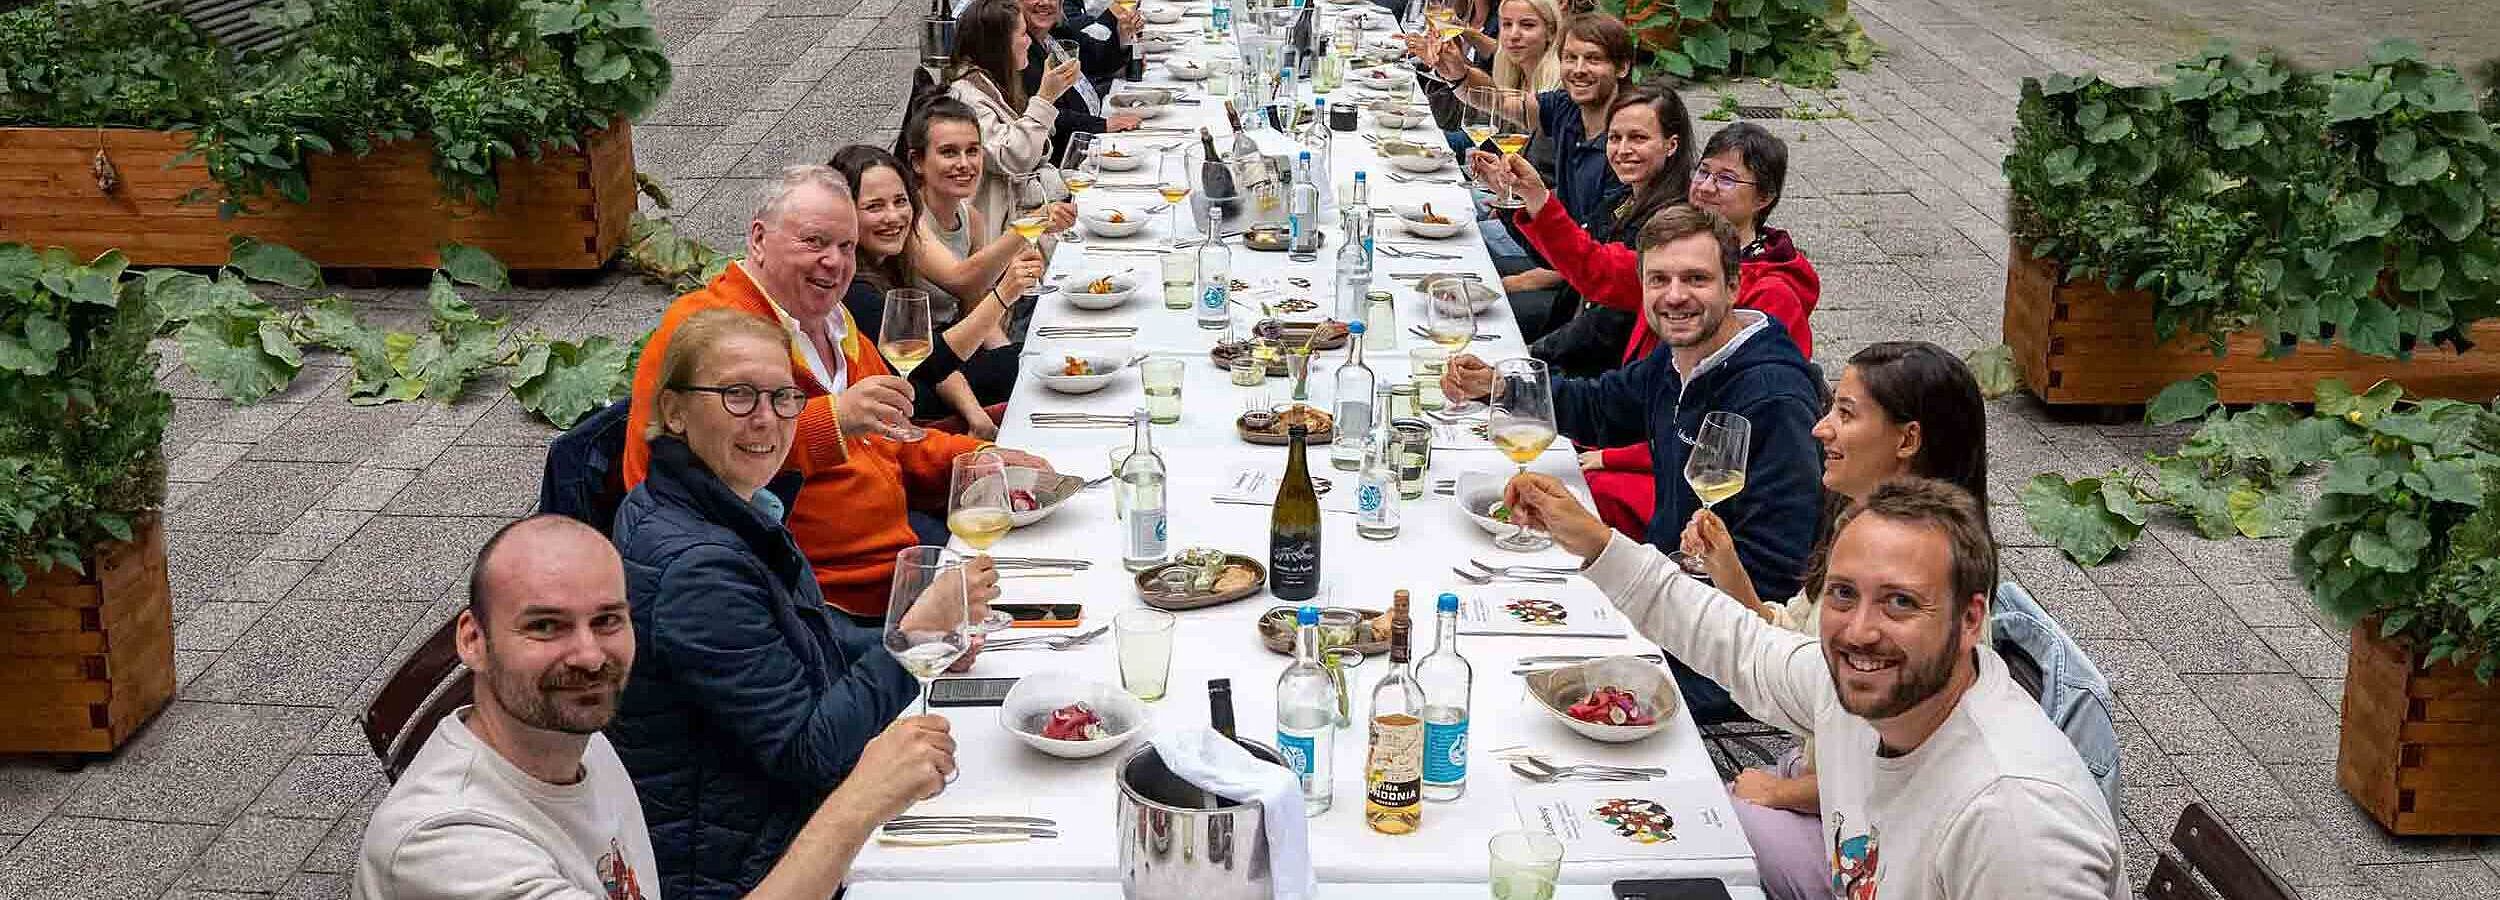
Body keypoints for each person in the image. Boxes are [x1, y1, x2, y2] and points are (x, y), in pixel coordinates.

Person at [1505, 475, 2126, 899]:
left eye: (1901, 603)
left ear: (1970, 619)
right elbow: (1737, 642)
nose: (1860, 631)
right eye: (1844, 593)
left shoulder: (2015, 824)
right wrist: (1590, 538)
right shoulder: (1870, 691)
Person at [353, 515, 958, 900]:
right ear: (473, 640)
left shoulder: (580, 739)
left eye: (608, 620)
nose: (589, 655)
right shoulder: (447, 846)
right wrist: (856, 804)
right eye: (546, 626)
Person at [607, 309, 996, 899]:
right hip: (753, 860)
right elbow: (809, 753)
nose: (767, 419)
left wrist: (914, 638)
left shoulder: (714, 502)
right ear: (674, 411)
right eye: (738, 395)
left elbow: (795, 641)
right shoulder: (698, 568)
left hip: (759, 819)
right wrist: (908, 638)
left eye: (784, 396)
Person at [1442, 204, 1821, 724]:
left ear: (1734, 286)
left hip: (1717, 651)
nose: (1675, 295)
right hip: (1659, 589)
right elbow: (1600, 406)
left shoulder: (1772, 398)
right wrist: (1501, 386)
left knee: (1505, 689)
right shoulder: (1681, 358)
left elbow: (1777, 568)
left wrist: (1645, 596)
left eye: (1696, 279)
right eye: (1658, 279)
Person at [620, 164, 1053, 618]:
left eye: (847, 246)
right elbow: (684, 473)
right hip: (824, 599)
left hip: (900, 559)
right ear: (759, 240)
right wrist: (834, 419)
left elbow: (892, 440)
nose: (835, 261)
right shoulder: (708, 330)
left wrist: (975, 459)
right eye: (814, 242)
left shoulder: (832, 320)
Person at [1680, 341, 1990, 897]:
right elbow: (1788, 648)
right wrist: (1725, 567)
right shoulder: (1859, 527)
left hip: (1861, 843)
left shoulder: (1925, 589)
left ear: (1907, 439)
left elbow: (1891, 771)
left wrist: (1784, 795)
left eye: (1844, 414)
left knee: (1700, 837)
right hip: (1813, 778)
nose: (1820, 429)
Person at [1502, 121, 1820, 359]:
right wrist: (1535, 196)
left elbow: (1738, 411)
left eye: (1726, 179)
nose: (1706, 187)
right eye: (1703, 172)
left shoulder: (1774, 294)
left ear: (1763, 197)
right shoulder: (1680, 246)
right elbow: (1596, 266)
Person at [1467, 86, 1693, 378]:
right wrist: (1513, 201)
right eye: (1614, 138)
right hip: (1569, 336)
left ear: (1671, 145)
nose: (1623, 150)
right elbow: (1559, 261)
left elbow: (1605, 322)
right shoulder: (1624, 198)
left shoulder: (1670, 224)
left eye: (1638, 138)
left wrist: (1531, 357)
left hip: (1598, 376)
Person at [1432, 13, 1637, 334]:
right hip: (1562, 264)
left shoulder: (1625, 147)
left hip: (1592, 303)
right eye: (1570, 58)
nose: (1579, 69)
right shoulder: (1569, 107)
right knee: (1446, 274)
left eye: (1593, 59)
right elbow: (1501, 102)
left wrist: (1521, 281)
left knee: (1457, 313)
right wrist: (1458, 75)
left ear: (1622, 67)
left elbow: (1601, 259)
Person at [831, 142, 1045, 438]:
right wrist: (1004, 294)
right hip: (916, 417)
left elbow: (931, 356)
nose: (893, 216)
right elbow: (931, 360)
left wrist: (976, 416)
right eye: (874, 206)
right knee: (1034, 364)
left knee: (1032, 357)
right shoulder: (850, 288)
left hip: (938, 389)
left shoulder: (895, 260)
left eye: (900, 201)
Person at [945, 0, 1080, 244]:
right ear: (998, 45)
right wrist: (1045, 98)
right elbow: (1012, 158)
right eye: (1021, 34)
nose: (1028, 41)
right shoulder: (966, 97)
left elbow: (1036, 144)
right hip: (998, 234)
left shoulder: (996, 81)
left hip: (1025, 216)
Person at [1019, 0, 1144, 161]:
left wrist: (1123, 33)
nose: (1045, 2)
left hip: (1094, 131)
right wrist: (1102, 125)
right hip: (1067, 157)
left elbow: (1098, 59)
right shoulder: (1019, 52)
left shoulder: (1055, 33)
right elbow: (1038, 113)